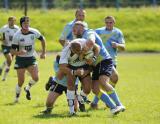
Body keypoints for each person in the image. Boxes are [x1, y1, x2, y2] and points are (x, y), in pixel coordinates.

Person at [69, 21, 125, 115]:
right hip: (95, 65)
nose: (73, 31)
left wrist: (88, 51)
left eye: (75, 29)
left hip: (103, 60)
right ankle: (113, 108)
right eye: (73, 30)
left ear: (81, 28)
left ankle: (119, 104)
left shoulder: (89, 32)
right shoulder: (80, 38)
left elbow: (91, 41)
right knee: (95, 89)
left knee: (103, 82)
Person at [57, 39, 100, 115]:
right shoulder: (66, 51)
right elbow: (62, 67)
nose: (80, 53)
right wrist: (74, 72)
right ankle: (71, 111)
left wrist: (93, 58)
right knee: (70, 86)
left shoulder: (85, 43)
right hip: (71, 67)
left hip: (84, 67)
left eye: (80, 50)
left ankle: (80, 97)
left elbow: (97, 47)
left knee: (87, 89)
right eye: (77, 51)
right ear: (71, 49)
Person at [91, 16, 126, 109]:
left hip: (112, 59)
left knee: (109, 81)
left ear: (114, 23)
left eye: (110, 22)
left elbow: (123, 47)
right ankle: (115, 103)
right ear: (104, 23)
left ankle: (95, 102)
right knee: (113, 77)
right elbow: (90, 40)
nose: (108, 24)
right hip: (101, 60)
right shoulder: (98, 31)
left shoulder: (118, 32)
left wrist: (117, 45)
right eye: (107, 22)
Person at [11, 16, 46, 102]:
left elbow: (42, 39)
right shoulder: (17, 35)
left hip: (31, 58)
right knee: (21, 81)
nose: (26, 25)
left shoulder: (34, 32)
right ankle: (16, 97)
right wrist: (19, 53)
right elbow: (12, 50)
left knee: (36, 78)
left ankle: (27, 88)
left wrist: (43, 52)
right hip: (20, 59)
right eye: (24, 23)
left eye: (28, 23)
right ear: (21, 24)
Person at [0, 16, 19, 81]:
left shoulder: (17, 28)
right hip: (5, 46)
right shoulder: (4, 28)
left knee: (9, 62)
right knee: (9, 59)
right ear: (8, 21)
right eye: (11, 21)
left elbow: (19, 37)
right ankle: (4, 76)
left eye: (13, 21)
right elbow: (1, 37)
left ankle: (3, 75)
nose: (12, 22)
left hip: (13, 47)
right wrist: (2, 39)